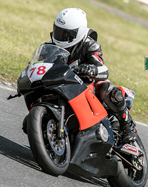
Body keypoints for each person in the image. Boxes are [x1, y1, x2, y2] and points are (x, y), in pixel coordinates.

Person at [48, 8, 137, 142]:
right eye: (59, 31)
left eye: (67, 34)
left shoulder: (90, 45)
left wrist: (90, 69)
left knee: (106, 89)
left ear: (79, 32)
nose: (62, 37)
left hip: (87, 85)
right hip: (64, 84)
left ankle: (128, 127)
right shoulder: (50, 46)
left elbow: (103, 70)